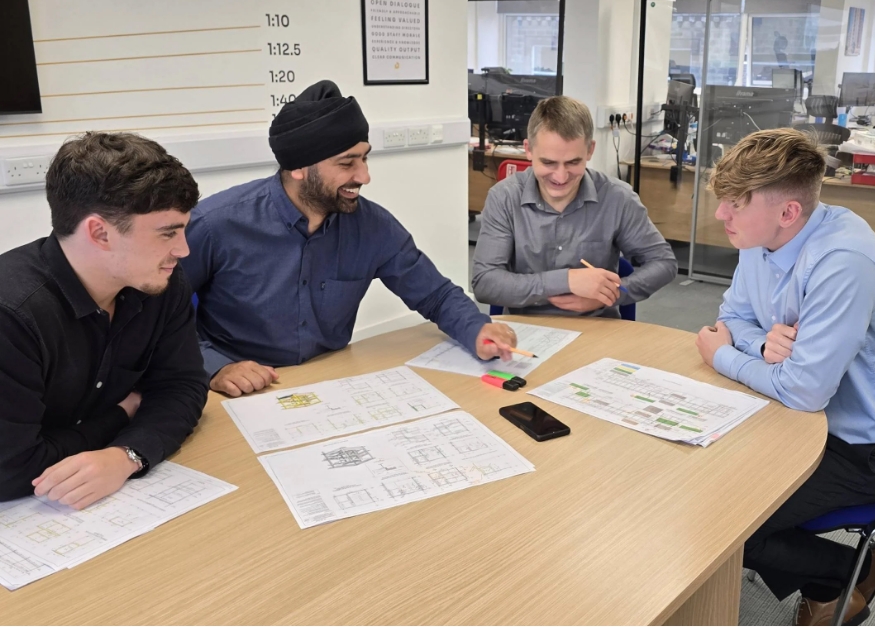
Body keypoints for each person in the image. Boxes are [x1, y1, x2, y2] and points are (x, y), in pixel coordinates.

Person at [694, 128, 875, 625]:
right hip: (801, 423)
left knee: (728, 527)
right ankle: (854, 570)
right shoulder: (758, 236)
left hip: (869, 449)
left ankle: (850, 571)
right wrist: (761, 343)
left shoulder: (843, 261)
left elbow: (802, 389)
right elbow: (731, 317)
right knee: (699, 477)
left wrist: (722, 357)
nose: (721, 215)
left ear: (788, 212)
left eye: (735, 203)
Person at [182, 80, 515, 397]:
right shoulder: (215, 224)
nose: (364, 176)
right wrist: (216, 368)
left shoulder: (372, 226)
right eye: (347, 163)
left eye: (365, 157)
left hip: (329, 385)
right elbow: (157, 318)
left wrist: (476, 328)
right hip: (234, 392)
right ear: (298, 167)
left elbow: (435, 295)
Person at [0, 132, 208, 507]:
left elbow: (183, 387)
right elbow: (10, 469)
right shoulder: (12, 315)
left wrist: (127, 455)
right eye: (167, 234)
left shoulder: (160, 281)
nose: (183, 249)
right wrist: (120, 415)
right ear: (99, 232)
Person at [471, 95, 677, 317]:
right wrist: (566, 280)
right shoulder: (504, 198)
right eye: (548, 162)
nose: (560, 176)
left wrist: (611, 295)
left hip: (597, 331)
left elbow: (663, 262)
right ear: (528, 150)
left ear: (590, 150)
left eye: (573, 162)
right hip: (526, 333)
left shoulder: (617, 198)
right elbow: (485, 283)